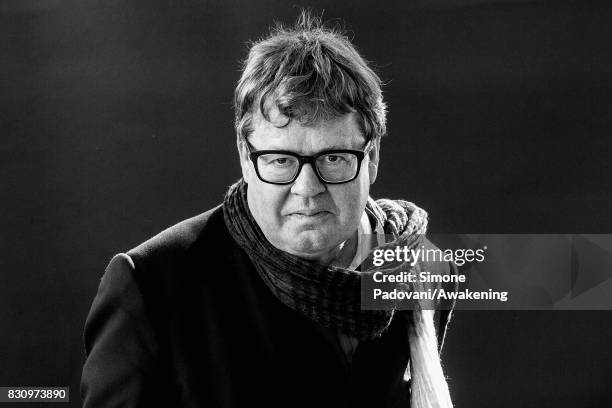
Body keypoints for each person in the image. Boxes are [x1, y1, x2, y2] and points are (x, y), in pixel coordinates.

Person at [81, 12, 456, 408]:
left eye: (333, 158)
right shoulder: (151, 287)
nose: (307, 190)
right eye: (280, 160)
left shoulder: (423, 269)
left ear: (372, 156)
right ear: (246, 156)